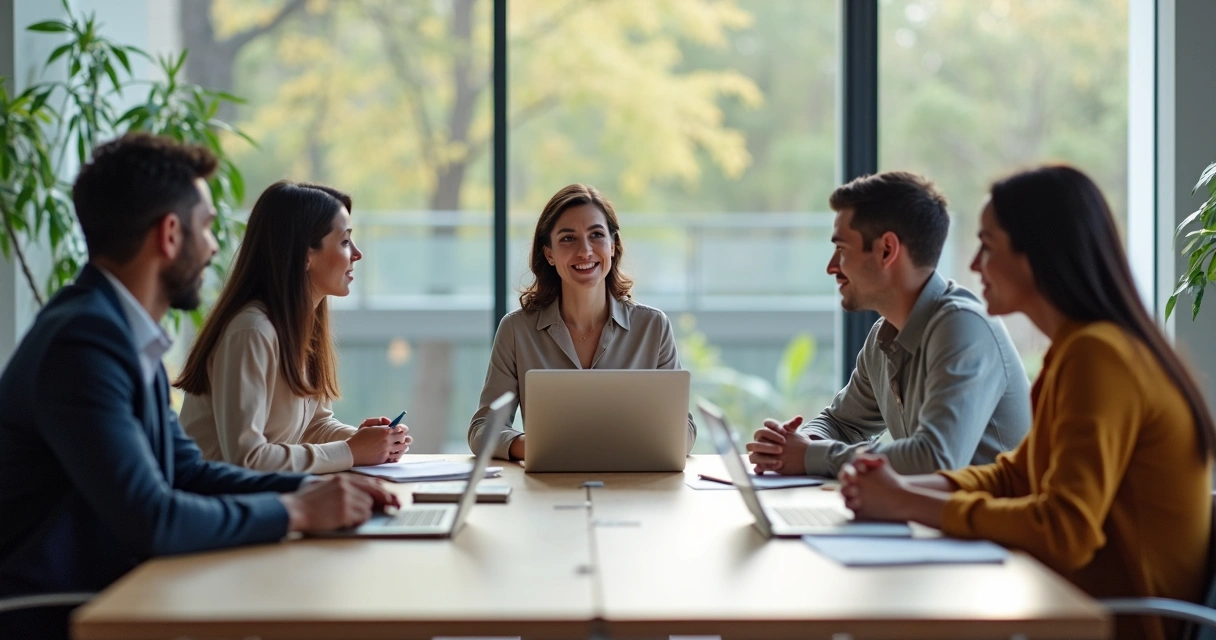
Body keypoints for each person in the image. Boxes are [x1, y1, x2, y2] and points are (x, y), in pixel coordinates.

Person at [0, 134, 398, 639]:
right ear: (170, 234)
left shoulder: (115, 330)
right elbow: (154, 517)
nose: (214, 246)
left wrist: (322, 487)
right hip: (58, 605)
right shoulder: (84, 343)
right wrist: (297, 508)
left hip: (118, 585)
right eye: (207, 227)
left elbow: (186, 470)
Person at [838, 165, 1214, 640]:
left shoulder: (1099, 356)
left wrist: (906, 502)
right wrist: (901, 490)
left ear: (1036, 255)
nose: (974, 265)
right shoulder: (1075, 350)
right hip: (1071, 607)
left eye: (988, 246)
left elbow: (1064, 530)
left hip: (1110, 625)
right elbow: (1014, 475)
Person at [746, 171, 1031, 477]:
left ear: (886, 250)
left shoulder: (963, 328)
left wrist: (811, 456)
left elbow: (935, 458)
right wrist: (798, 444)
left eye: (841, 250)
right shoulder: (884, 336)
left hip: (989, 522)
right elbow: (843, 423)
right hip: (932, 520)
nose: (831, 267)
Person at [175, 181, 410, 473]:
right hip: (220, 506)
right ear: (305, 255)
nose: (357, 254)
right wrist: (351, 451)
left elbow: (315, 425)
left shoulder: (299, 325)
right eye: (345, 241)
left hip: (261, 499)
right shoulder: (252, 331)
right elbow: (246, 459)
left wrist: (365, 441)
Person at [469, 184, 695, 460]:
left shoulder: (653, 327)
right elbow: (482, 430)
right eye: (567, 239)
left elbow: (684, 430)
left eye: (596, 235)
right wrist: (537, 446)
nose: (585, 251)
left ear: (613, 246)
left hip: (634, 490)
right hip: (547, 490)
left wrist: (618, 446)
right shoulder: (516, 330)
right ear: (549, 254)